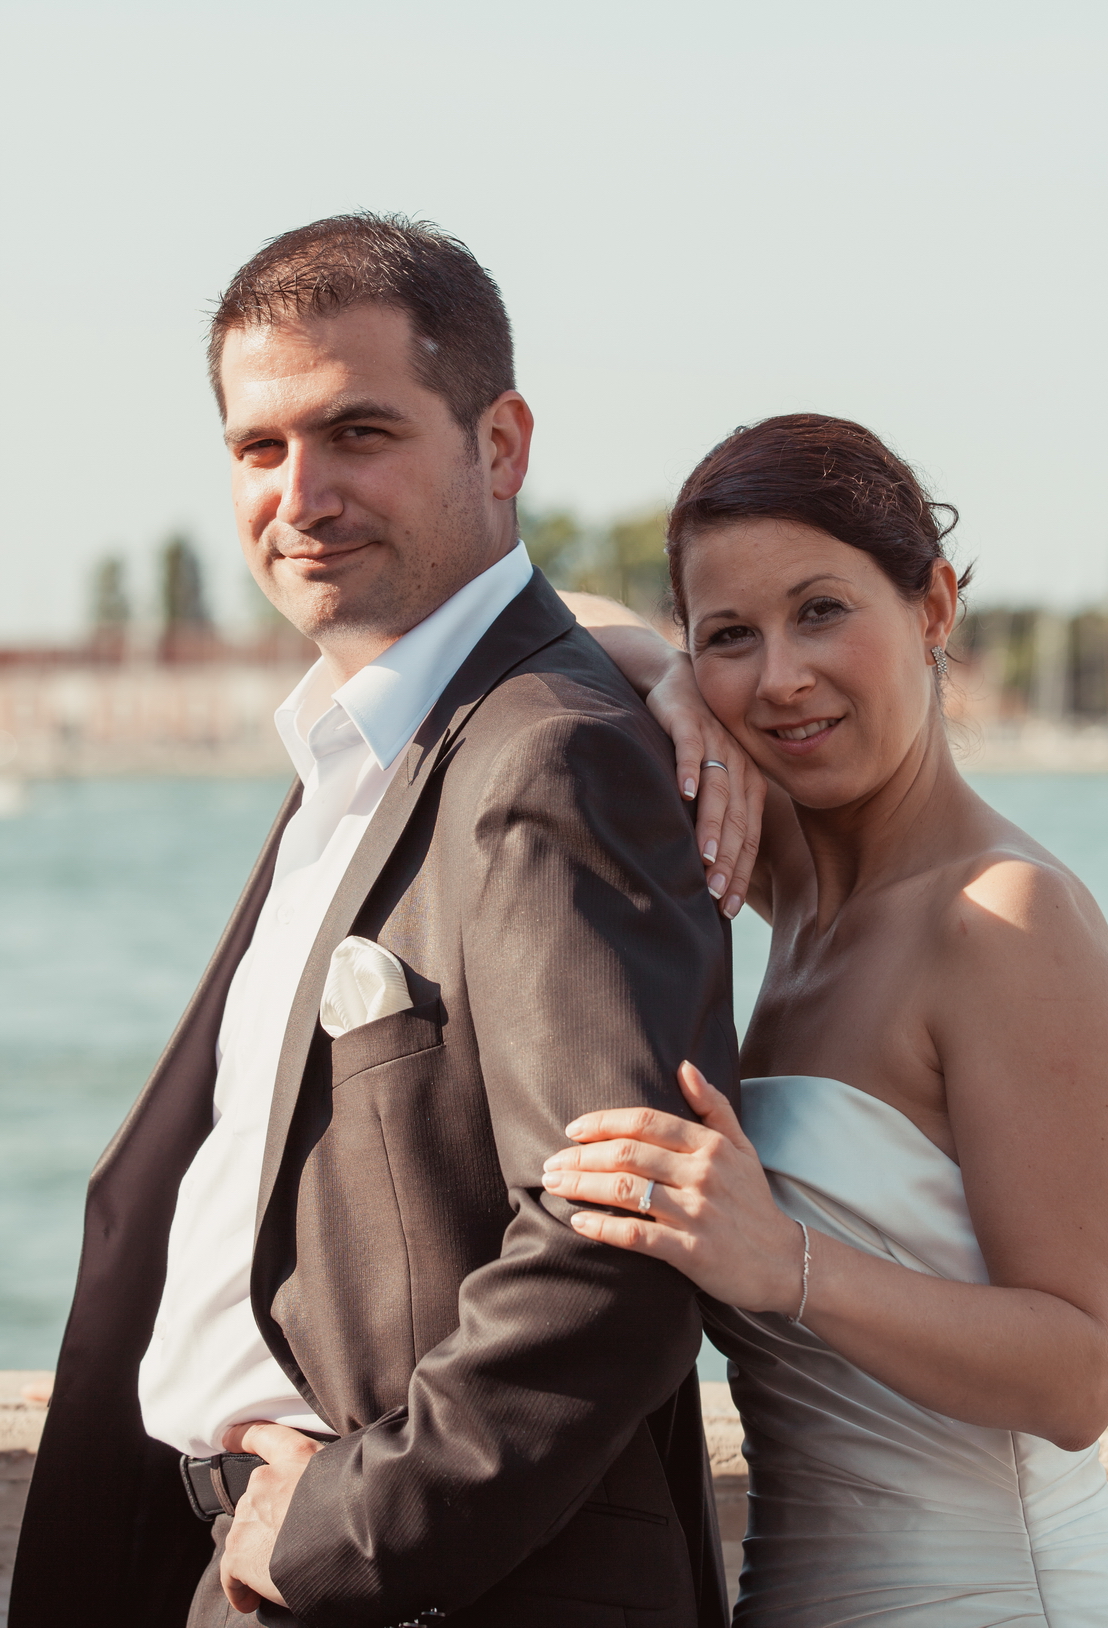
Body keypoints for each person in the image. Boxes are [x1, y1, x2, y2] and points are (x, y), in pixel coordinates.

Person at [11, 214, 760, 1628]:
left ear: (501, 447)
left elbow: (620, 1246)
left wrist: (339, 1537)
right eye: (258, 449)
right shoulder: (372, 749)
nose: (302, 494)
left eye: (358, 433)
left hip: (411, 1588)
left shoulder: (552, 755)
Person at [539, 415, 1108, 1625]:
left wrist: (779, 1263)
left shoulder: (1004, 919)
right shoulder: (779, 883)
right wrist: (669, 684)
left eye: (822, 611)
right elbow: (538, 608)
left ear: (932, 606)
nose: (779, 676)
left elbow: (1077, 1371)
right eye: (732, 635)